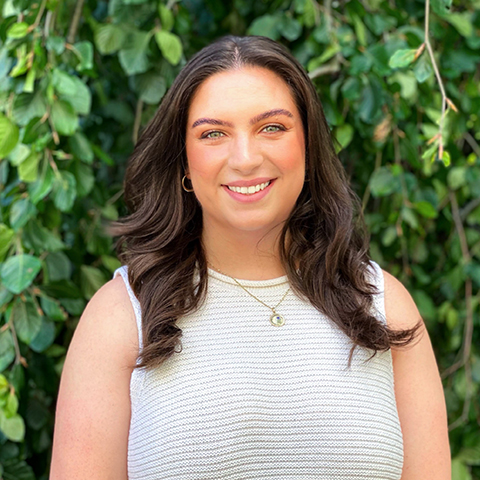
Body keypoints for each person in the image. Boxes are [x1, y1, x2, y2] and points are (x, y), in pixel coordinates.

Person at [50, 35, 451, 479]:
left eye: (272, 127)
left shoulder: (381, 305)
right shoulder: (122, 315)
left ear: (308, 145)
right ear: (184, 162)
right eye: (214, 134)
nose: (245, 158)